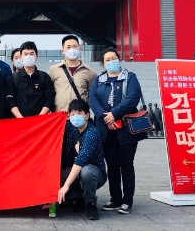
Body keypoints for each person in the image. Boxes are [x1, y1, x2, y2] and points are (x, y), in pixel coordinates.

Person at [89, 47, 147, 215]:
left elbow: (133, 98)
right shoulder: (99, 79)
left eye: (113, 58)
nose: (111, 62)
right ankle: (115, 198)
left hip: (126, 128)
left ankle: (127, 200)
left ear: (118, 59)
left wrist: (114, 114)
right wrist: (104, 117)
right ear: (103, 63)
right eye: (107, 60)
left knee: (126, 164)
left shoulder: (130, 77)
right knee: (112, 165)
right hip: (106, 129)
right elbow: (93, 100)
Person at [58, 99, 107, 221]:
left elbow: (81, 161)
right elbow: (54, 126)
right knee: (52, 178)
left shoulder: (92, 133)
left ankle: (90, 203)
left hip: (94, 173)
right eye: (72, 114)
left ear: (87, 116)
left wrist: (66, 186)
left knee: (86, 172)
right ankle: (79, 197)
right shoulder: (71, 128)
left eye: (79, 113)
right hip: (73, 169)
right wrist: (60, 116)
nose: (75, 117)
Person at [6, 41, 55, 118]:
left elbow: (49, 99)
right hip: (19, 121)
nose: (28, 57)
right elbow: (10, 100)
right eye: (25, 54)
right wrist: (20, 118)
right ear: (21, 57)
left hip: (40, 121)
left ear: (36, 57)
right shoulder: (14, 78)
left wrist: (39, 118)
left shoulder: (44, 77)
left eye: (31, 54)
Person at [48, 35, 96, 111]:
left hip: (80, 115)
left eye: (74, 46)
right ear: (63, 51)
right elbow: (48, 94)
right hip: (59, 115)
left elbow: (93, 97)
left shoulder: (90, 72)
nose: (72, 50)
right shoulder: (53, 70)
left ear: (79, 49)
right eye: (68, 47)